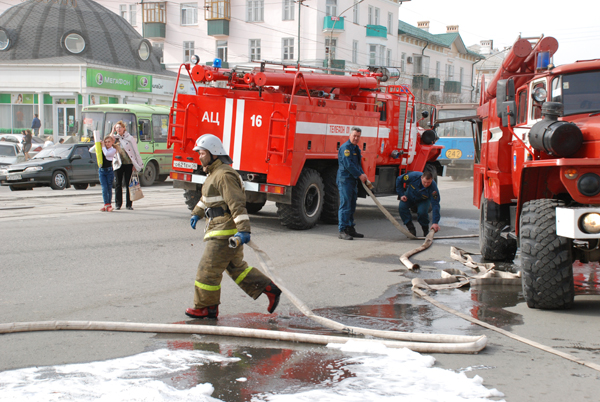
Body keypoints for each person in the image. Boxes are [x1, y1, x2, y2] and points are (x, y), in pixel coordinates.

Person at [186, 134, 281, 319]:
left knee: (207, 270)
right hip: (219, 228)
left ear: (214, 153)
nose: (199, 156)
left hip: (225, 232)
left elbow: (236, 203)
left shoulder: (224, 175)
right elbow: (207, 199)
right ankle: (268, 288)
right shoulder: (214, 174)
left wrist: (243, 229)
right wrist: (197, 213)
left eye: (202, 153)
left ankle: (205, 307)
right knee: (237, 269)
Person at [336, 127, 368, 240]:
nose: (356, 138)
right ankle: (342, 230)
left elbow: (357, 165)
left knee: (352, 205)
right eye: (354, 135)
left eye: (358, 136)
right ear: (350, 135)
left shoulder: (356, 148)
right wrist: (360, 175)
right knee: (345, 205)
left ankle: (350, 229)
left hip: (352, 180)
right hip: (345, 180)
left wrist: (363, 175)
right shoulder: (346, 148)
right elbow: (348, 165)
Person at [396, 171, 441, 237]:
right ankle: (411, 229)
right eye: (424, 182)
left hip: (423, 200)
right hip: (409, 196)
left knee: (422, 213)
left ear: (432, 180)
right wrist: (401, 194)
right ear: (421, 178)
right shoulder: (413, 176)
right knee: (402, 208)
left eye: (428, 182)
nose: (426, 184)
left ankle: (425, 231)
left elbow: (436, 204)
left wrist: (435, 222)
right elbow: (399, 179)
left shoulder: (433, 188)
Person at [112, 121, 143, 210]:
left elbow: (135, 151)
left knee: (128, 184)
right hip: (118, 164)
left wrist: (136, 164)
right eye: (117, 128)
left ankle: (129, 204)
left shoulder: (129, 138)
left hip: (129, 164)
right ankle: (118, 204)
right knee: (118, 184)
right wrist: (112, 130)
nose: (118, 129)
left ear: (124, 128)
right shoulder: (115, 138)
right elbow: (108, 139)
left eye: (120, 127)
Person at [89, 136, 117, 212]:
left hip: (109, 171)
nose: (107, 143)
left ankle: (109, 204)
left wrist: (103, 146)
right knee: (104, 188)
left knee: (109, 188)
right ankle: (106, 204)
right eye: (106, 142)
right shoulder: (102, 148)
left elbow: (107, 154)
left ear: (112, 142)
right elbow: (91, 150)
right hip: (102, 170)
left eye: (109, 142)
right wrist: (97, 144)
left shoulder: (113, 150)